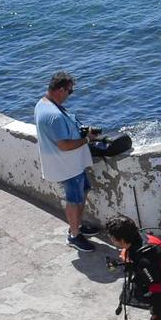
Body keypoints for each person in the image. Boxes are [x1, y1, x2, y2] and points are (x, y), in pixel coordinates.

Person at [35, 71, 95, 250]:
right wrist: (87, 140)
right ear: (60, 90)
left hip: (70, 164)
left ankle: (77, 226)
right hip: (67, 166)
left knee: (83, 191)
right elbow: (64, 145)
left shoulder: (43, 104)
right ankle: (74, 235)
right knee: (74, 199)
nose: (70, 95)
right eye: (70, 91)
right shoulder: (54, 115)